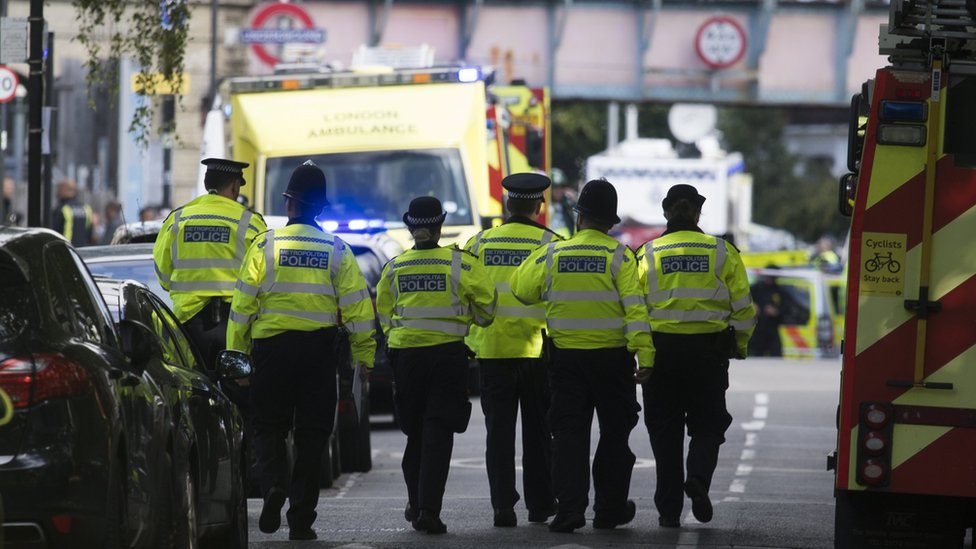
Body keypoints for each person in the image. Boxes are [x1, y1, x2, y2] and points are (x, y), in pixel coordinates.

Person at [226, 160, 376, 541]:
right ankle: (301, 520)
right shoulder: (337, 250)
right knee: (312, 435)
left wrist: (237, 357)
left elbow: (242, 307)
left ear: (289, 203)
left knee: (268, 425)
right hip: (317, 354)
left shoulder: (265, 245)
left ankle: (273, 483)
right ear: (320, 208)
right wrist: (365, 358)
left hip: (271, 352)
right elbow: (359, 310)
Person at [511, 178, 654, 534]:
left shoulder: (554, 253)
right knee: (615, 437)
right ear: (610, 222)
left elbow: (521, 289)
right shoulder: (621, 256)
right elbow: (636, 310)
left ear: (579, 217)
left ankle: (570, 511)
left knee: (569, 437)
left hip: (567, 362)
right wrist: (645, 355)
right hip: (612, 362)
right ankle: (609, 510)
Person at [635, 183, 756, 528]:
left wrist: (642, 355)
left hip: (662, 354)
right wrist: (740, 345)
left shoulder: (646, 253)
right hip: (708, 353)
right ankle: (699, 478)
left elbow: (635, 309)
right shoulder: (722, 252)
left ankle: (668, 510)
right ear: (698, 212)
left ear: (665, 212)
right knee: (708, 424)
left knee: (664, 431)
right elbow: (744, 310)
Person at [376, 196, 497, 535]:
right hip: (447, 358)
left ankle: (416, 503)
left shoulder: (394, 267)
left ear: (410, 227)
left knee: (415, 433)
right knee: (438, 432)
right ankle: (428, 509)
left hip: (407, 359)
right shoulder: (462, 265)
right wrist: (464, 321)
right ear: (441, 224)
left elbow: (384, 315)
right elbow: (488, 310)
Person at [464, 173, 560, 528]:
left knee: (499, 436)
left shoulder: (480, 243)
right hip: (538, 351)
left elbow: (468, 294)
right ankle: (539, 504)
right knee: (539, 434)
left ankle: (503, 507)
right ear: (539, 205)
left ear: (507, 203)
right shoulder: (553, 244)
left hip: (493, 351)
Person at [153, 158, 268, 371]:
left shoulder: (177, 219)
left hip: (187, 324)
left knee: (192, 386)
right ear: (235, 186)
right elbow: (265, 277)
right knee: (238, 390)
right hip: (236, 325)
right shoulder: (251, 223)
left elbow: (163, 273)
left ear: (207, 184)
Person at [748, 269, 786, 357]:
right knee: (756, 355)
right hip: (757, 328)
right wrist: (752, 306)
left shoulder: (779, 291)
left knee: (776, 354)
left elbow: (786, 308)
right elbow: (742, 300)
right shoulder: (755, 288)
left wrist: (776, 311)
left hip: (772, 327)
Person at [51, 179, 95, 247]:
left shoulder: (62, 209)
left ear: (65, 190)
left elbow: (53, 232)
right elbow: (89, 234)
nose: (57, 192)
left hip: (66, 250)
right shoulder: (86, 209)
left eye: (59, 189)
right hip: (82, 252)